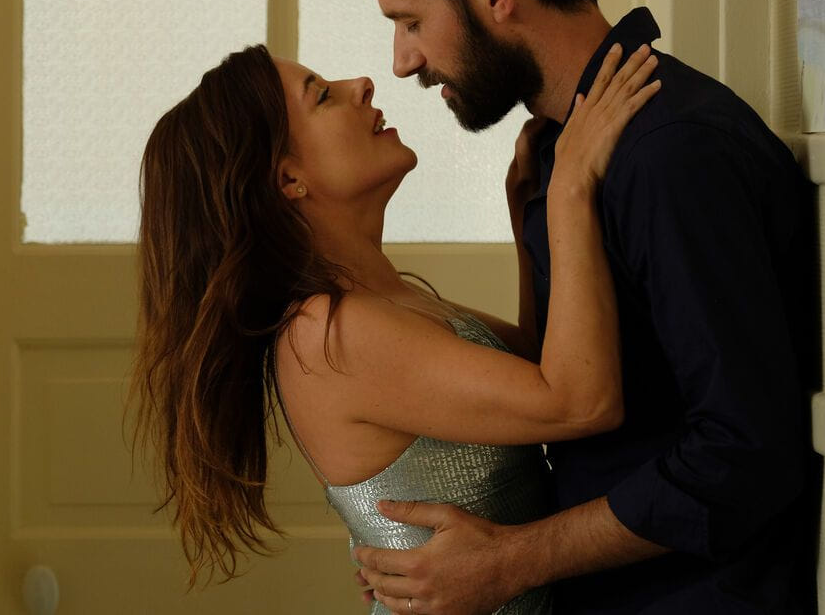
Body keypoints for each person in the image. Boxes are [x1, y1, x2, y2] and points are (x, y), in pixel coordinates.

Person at [345, 0, 816, 613]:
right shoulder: (559, 155)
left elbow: (744, 453)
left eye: (409, 22)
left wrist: (511, 561)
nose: (402, 62)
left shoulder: (669, 155)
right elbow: (573, 380)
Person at [132, 39, 659, 615]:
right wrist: (571, 191)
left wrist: (524, 211)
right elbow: (582, 402)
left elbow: (539, 367)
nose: (362, 83)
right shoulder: (330, 333)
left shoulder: (380, 301)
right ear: (288, 180)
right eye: (322, 96)